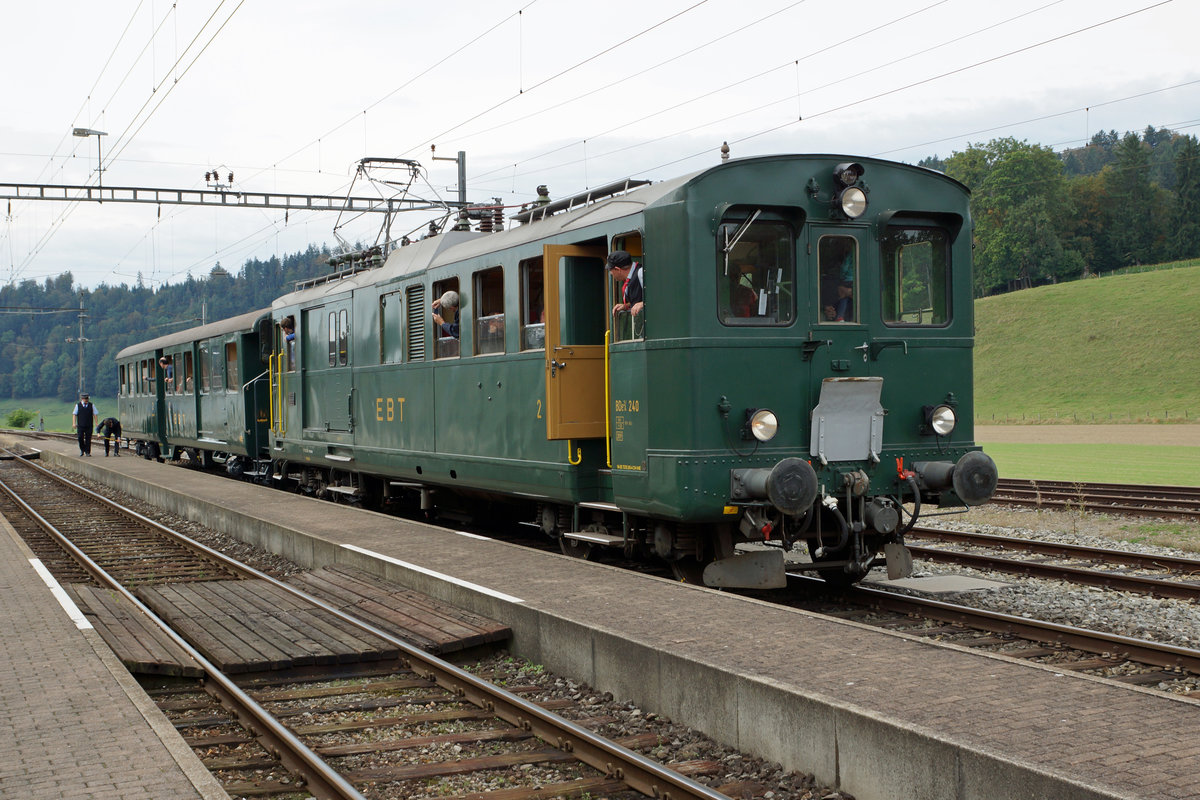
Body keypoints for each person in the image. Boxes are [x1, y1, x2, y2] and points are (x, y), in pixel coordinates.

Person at [606, 250, 644, 317]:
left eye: (610, 270)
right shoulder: (629, 279)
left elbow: (660, 297)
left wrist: (643, 304)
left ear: (617, 269)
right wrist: (626, 306)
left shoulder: (641, 273)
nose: (611, 273)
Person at [72, 392, 96, 457]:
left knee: (88, 439)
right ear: (82, 399)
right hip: (80, 425)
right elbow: (74, 414)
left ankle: (88, 452)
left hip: (89, 425)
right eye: (85, 399)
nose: (86, 400)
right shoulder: (78, 405)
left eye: (87, 399)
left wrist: (96, 423)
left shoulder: (91, 405)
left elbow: (95, 414)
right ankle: (82, 449)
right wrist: (74, 423)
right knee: (80, 438)